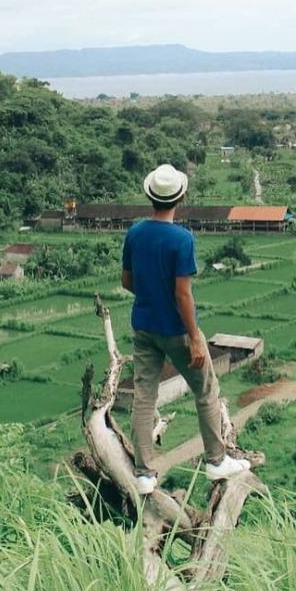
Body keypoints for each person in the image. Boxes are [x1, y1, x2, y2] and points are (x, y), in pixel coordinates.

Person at [122, 163, 250, 494]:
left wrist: (151, 296)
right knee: (206, 390)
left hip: (143, 326)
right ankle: (216, 460)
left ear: (150, 196)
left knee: (144, 396)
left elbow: (126, 281)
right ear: (180, 197)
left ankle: (144, 474)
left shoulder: (135, 233)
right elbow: (183, 293)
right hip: (176, 329)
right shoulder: (182, 239)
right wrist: (195, 338)